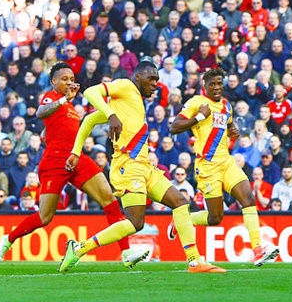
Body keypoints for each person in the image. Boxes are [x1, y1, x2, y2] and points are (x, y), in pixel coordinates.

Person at [58, 61, 223, 273]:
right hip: (127, 166)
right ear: (138, 77)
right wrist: (109, 116)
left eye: (157, 79)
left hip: (145, 167)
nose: (155, 83)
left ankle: (194, 262)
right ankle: (79, 248)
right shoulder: (126, 87)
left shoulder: (131, 102)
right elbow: (90, 91)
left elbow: (89, 119)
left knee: (180, 202)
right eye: (151, 78)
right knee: (136, 223)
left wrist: (76, 151)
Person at [0, 63, 148, 269]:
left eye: (71, 78)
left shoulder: (70, 106)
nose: (68, 82)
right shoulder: (52, 97)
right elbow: (40, 113)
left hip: (76, 158)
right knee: (45, 217)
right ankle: (8, 240)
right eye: (64, 78)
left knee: (109, 199)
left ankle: (126, 252)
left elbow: (57, 129)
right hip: (55, 162)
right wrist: (64, 100)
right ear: (53, 81)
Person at [169, 67, 279, 266]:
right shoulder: (196, 102)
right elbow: (174, 127)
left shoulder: (227, 106)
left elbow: (226, 125)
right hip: (207, 166)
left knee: (248, 197)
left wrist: (232, 130)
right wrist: (199, 118)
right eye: (212, 84)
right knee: (215, 218)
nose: (217, 87)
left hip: (226, 161)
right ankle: (183, 220)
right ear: (205, 86)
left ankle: (257, 250)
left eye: (220, 83)